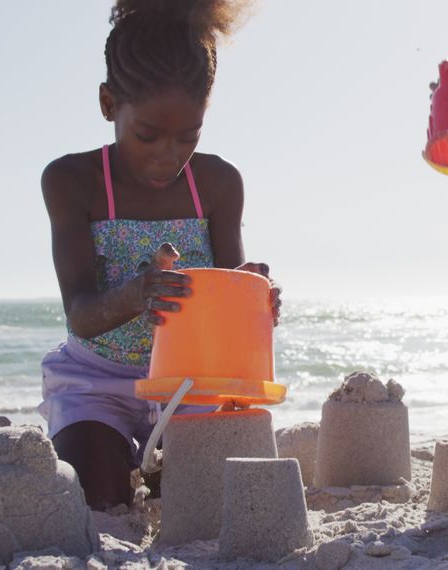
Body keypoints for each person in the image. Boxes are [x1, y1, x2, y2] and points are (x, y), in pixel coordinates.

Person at [39, 0, 280, 510]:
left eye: (188, 136)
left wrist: (254, 298)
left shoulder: (217, 182)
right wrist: (137, 293)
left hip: (191, 384)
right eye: (147, 135)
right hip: (95, 383)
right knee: (98, 498)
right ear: (108, 104)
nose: (167, 155)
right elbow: (80, 315)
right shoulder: (72, 181)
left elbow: (228, 283)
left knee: (205, 507)